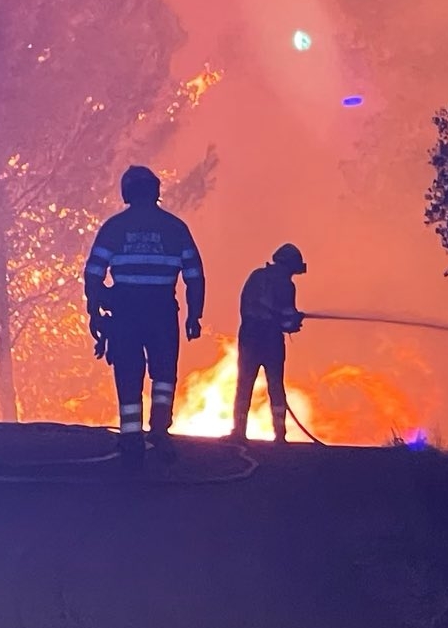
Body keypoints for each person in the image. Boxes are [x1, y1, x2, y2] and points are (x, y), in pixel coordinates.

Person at [84, 165, 205, 467]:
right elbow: (195, 276)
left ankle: (131, 438)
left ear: (126, 191)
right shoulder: (175, 228)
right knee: (163, 375)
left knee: (128, 372)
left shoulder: (114, 228)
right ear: (155, 190)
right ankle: (160, 433)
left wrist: (95, 311)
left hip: (125, 312)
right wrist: (194, 316)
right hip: (162, 311)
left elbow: (94, 274)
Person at [231, 243, 308, 443]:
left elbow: (247, 306)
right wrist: (293, 321)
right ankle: (280, 434)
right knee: (275, 385)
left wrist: (288, 320)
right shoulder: (286, 285)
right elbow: (286, 318)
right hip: (270, 339)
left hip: (249, 336)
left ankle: (239, 432)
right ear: (289, 266)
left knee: (244, 384)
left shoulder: (256, 276)